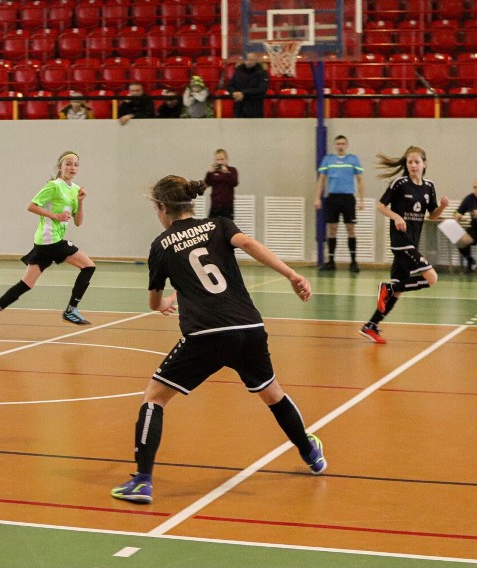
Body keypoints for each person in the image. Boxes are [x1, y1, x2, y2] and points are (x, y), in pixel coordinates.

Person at [110, 175, 325, 505]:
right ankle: (310, 452)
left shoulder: (161, 245)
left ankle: (141, 481)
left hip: (205, 334)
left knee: (154, 397)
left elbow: (154, 302)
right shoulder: (220, 224)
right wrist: (292, 275)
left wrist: (166, 303)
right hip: (248, 327)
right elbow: (250, 245)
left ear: (162, 207)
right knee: (272, 394)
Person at [0, 151, 96, 335]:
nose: (72, 167)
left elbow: (78, 222)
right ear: (60, 167)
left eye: (76, 164)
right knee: (88, 266)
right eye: (68, 164)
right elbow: (31, 206)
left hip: (46, 243)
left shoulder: (75, 190)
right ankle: (71, 310)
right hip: (50, 240)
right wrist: (55, 216)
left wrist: (81, 202)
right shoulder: (53, 186)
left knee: (26, 284)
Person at [359, 146, 449, 345]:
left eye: (417, 162)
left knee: (398, 289)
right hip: (401, 242)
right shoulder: (399, 183)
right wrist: (396, 216)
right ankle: (387, 288)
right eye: (410, 162)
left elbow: (432, 215)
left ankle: (371, 325)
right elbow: (381, 206)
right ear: (406, 165)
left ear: (425, 164)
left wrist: (441, 207)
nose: (413, 166)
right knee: (432, 278)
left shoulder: (429, 187)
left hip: (413, 241)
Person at [313, 135, 366, 273]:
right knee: (332, 229)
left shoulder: (353, 159)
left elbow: (360, 180)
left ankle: (353, 262)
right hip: (333, 198)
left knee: (350, 229)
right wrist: (317, 198)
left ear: (346, 145)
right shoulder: (328, 159)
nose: (340, 146)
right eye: (338, 143)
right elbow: (321, 179)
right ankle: (331, 261)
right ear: (335, 145)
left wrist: (361, 200)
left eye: (343, 143)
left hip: (348, 198)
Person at [227, 53, 269, 118]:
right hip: (239, 110)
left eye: (251, 60)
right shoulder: (238, 71)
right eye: (247, 59)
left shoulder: (262, 72)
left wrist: (243, 93)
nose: (249, 62)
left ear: (255, 60)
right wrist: (234, 93)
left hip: (255, 110)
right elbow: (230, 86)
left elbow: (262, 89)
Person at [204, 148, 239, 219]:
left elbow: (234, 183)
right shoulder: (213, 172)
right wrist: (209, 173)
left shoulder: (232, 170)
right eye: (217, 160)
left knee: (227, 226)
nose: (220, 162)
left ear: (226, 159)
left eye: (222, 159)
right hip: (215, 204)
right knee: (212, 225)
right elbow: (206, 184)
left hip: (227, 204)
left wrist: (227, 173)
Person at [452, 179, 476, 272]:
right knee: (460, 241)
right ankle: (470, 261)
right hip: (474, 228)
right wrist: (458, 216)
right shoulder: (469, 199)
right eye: (474, 187)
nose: (476, 190)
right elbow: (458, 212)